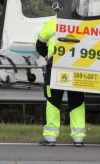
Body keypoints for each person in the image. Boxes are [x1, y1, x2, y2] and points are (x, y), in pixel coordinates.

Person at [36, 17, 86, 147]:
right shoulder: (83, 23)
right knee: (77, 102)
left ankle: (50, 138)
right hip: (77, 65)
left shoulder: (52, 23)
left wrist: (48, 57)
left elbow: (39, 45)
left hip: (55, 65)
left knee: (53, 101)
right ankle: (78, 138)